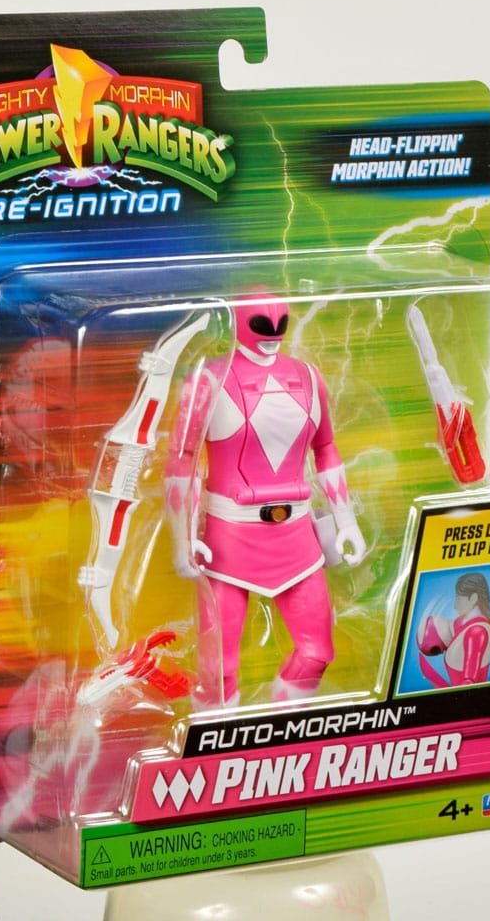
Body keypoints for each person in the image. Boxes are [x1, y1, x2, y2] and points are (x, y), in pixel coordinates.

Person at [166, 294, 365, 707]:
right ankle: (216, 737)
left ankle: (280, 729)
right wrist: (181, 538)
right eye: (262, 322)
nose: (273, 332)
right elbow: (183, 459)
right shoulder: (208, 380)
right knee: (217, 668)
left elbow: (326, 448)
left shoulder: (308, 377)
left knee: (316, 653)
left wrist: (346, 520)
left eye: (281, 322)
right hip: (229, 538)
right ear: (239, 322)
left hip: (297, 536)